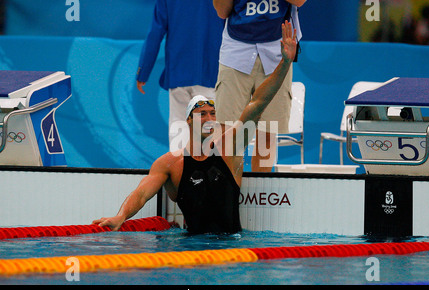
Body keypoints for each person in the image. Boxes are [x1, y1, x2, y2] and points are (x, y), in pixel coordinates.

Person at [93, 21, 298, 234]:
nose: (209, 119)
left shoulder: (229, 148)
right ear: (189, 120)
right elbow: (142, 194)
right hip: (190, 250)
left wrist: (284, 63)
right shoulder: (170, 163)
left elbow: (257, 104)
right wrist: (121, 215)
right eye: (202, 114)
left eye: (213, 113)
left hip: (231, 250)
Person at [213, 0, 306, 172]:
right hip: (236, 52)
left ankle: (260, 195)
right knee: (229, 135)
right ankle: (230, 194)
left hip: (278, 49)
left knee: (267, 134)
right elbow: (222, 11)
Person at [136, 0, 225, 144]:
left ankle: (177, 167)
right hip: (212, 73)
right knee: (209, 134)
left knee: (179, 130)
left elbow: (155, 32)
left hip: (178, 73)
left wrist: (143, 71)